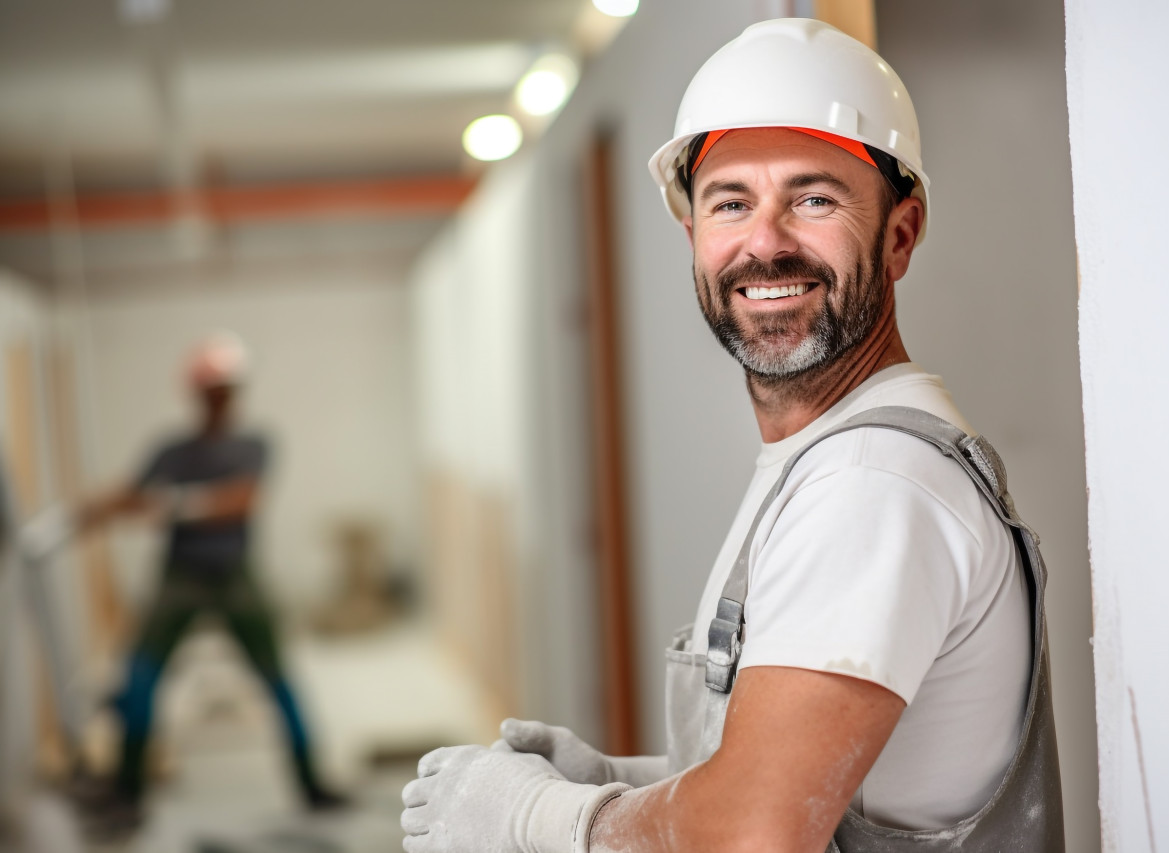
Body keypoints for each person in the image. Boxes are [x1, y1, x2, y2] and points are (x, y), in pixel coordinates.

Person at [400, 18, 1063, 852]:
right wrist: (625, 784)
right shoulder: (828, 458)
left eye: (813, 197)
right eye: (731, 202)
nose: (765, 242)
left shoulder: (871, 483)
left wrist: (544, 818)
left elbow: (757, 832)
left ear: (900, 233)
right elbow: (819, 779)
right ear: (693, 236)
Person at [80, 332, 344, 832]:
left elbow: (239, 502)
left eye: (225, 389)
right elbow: (131, 495)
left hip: (234, 579)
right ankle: (125, 791)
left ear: (235, 393)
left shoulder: (253, 444)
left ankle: (312, 785)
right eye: (211, 390)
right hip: (179, 578)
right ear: (198, 395)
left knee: (277, 680)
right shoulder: (173, 449)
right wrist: (86, 512)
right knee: (139, 679)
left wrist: (173, 505)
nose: (219, 398)